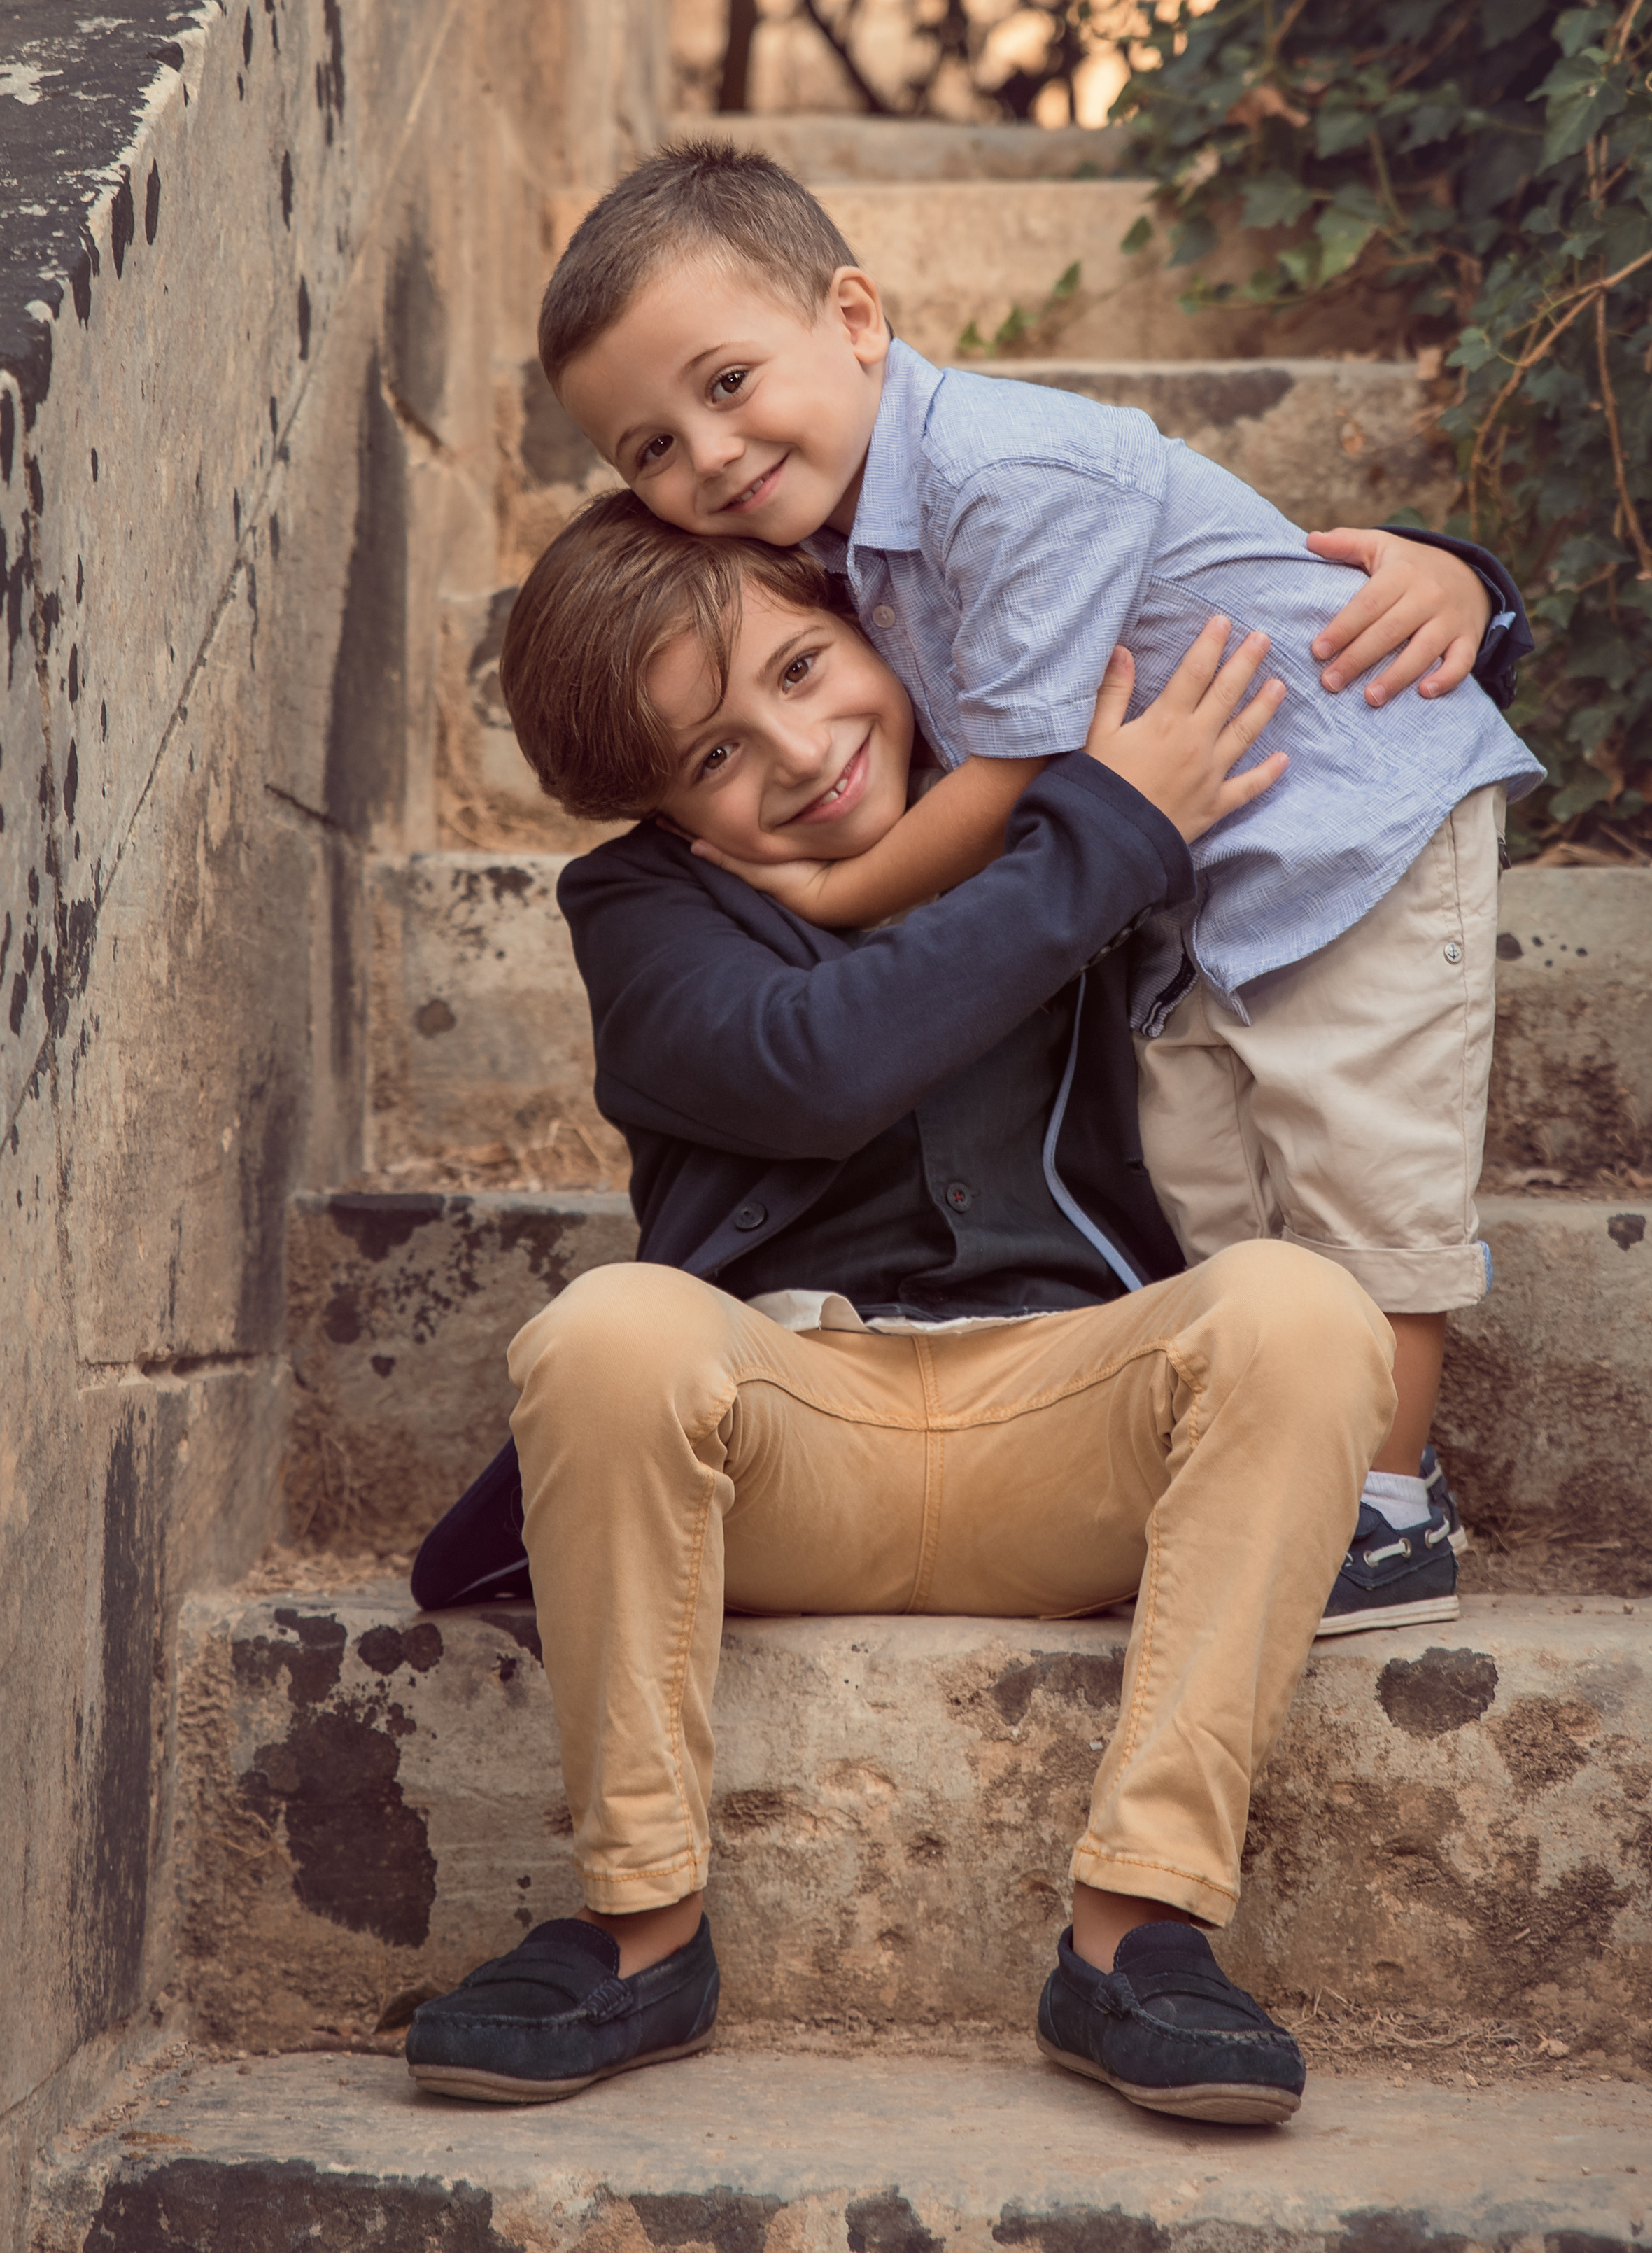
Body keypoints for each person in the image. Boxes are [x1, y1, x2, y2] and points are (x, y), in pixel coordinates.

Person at [404, 499, 1406, 2123]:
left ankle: (1136, 1935)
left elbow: (1203, 580)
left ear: (870, 620)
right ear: (660, 808)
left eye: (803, 668)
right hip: (786, 1447)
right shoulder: (644, 910)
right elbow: (818, 1067)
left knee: (1300, 1311)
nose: (799, 753)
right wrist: (1107, 837)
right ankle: (641, 1932)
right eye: (715, 755)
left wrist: (1450, 584)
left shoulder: (1025, 781)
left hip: (1074, 1435)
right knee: (608, 1329)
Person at [532, 143, 1544, 1632]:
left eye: (728, 384)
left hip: (1346, 836)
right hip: (1212, 893)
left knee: (1359, 1164)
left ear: (856, 318)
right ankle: (1294, 1443)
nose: (711, 456)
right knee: (1206, 1173)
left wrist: (1466, 587)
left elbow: (1033, 764)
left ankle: (1387, 1499)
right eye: (650, 449)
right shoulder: (834, 561)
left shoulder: (996, 477)